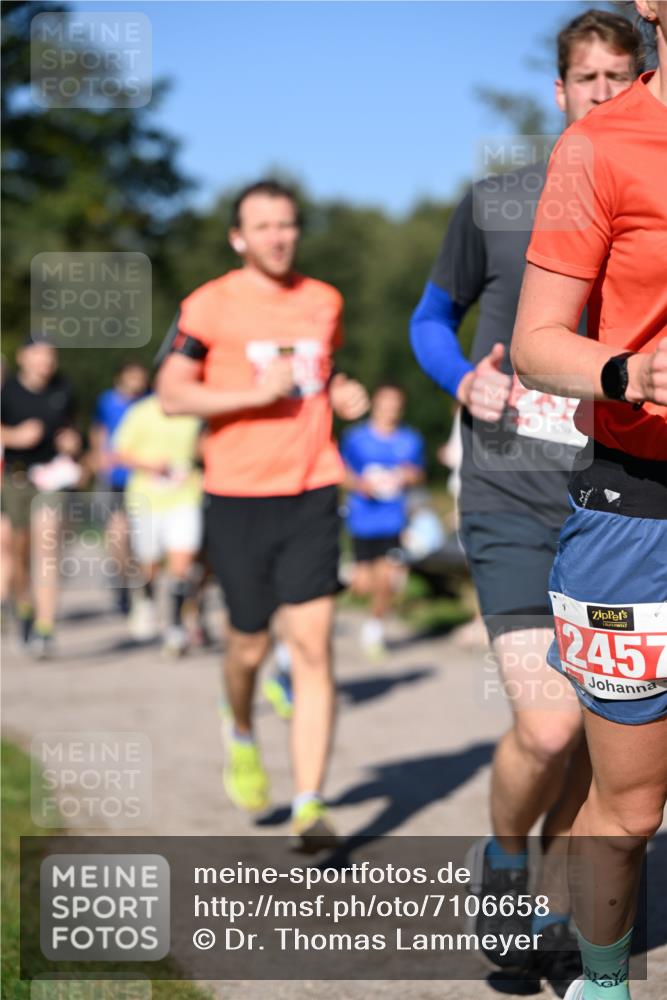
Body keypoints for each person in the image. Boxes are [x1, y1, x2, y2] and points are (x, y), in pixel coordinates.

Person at [410, 10, 641, 992]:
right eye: (584, 78)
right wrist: (460, 379)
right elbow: (430, 316)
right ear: (559, 92)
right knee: (545, 726)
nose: (600, 93)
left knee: (595, 737)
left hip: (623, 499)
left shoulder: (650, 199)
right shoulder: (499, 201)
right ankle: (504, 859)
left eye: (618, 78)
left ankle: (551, 899)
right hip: (512, 490)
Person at [511, 3, 667, 997]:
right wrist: (632, 375)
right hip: (640, 510)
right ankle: (599, 978)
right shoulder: (599, 145)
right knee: (633, 805)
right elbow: (535, 341)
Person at [156, 179, 368, 850]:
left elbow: (317, 377)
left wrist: (343, 392)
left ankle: (309, 805)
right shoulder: (209, 304)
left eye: (286, 225)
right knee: (247, 645)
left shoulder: (322, 301)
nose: (277, 236)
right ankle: (240, 728)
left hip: (311, 488)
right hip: (237, 495)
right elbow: (170, 394)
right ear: (238, 237)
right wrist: (251, 395)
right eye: (262, 226)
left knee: (312, 647)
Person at [0, 336, 82, 658]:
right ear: (24, 357)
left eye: (51, 355)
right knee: (19, 551)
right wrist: (15, 436)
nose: (46, 362)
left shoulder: (64, 389)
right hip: (17, 479)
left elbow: (75, 430)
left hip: (53, 478)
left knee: (48, 546)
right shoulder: (7, 392)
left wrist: (73, 442)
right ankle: (23, 606)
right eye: (39, 355)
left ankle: (46, 628)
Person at [112, 390, 204, 655]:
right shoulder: (141, 411)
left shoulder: (194, 409)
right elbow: (119, 451)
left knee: (182, 564)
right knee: (149, 562)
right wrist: (150, 465)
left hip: (185, 495)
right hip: (147, 498)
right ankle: (147, 600)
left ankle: (175, 626)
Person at [341, 383, 425, 659]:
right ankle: (345, 574)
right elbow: (341, 472)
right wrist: (359, 484)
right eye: (385, 402)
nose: (390, 408)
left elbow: (418, 474)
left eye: (395, 403)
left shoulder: (410, 439)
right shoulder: (355, 437)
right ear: (376, 404)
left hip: (393, 520)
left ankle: (374, 630)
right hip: (362, 519)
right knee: (362, 584)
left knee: (387, 581)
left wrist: (408, 476)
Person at [89, 362, 149, 616]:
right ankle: (121, 581)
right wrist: (99, 458)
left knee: (142, 539)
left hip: (144, 478)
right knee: (118, 533)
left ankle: (141, 584)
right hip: (116, 478)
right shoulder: (107, 401)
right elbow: (98, 431)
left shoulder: (150, 401)